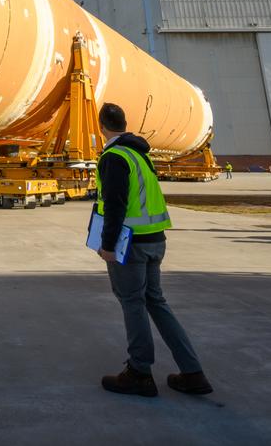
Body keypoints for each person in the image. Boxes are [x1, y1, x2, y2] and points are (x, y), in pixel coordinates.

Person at [94, 102, 211, 398]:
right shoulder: (139, 155)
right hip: (155, 240)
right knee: (156, 303)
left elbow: (116, 204)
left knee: (132, 304)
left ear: (101, 127)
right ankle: (193, 372)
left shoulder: (114, 156)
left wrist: (107, 246)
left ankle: (139, 372)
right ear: (124, 123)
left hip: (129, 244)